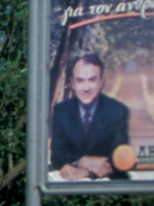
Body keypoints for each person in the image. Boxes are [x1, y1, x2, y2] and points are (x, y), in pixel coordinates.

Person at [49, 52, 130, 180]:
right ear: (72, 83)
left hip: (111, 190)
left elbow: (119, 158)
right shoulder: (61, 111)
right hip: (74, 193)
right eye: (80, 81)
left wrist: (85, 173)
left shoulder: (118, 111)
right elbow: (57, 156)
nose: (86, 88)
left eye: (92, 80)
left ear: (101, 82)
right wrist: (82, 161)